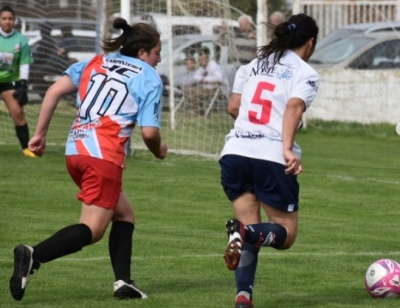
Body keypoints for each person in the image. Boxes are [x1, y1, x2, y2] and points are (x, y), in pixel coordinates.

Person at [9, 18, 168, 301]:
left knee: (125, 214)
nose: (160, 58)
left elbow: (54, 91)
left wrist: (40, 135)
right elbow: (150, 132)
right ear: (143, 52)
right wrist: (160, 150)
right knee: (93, 230)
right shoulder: (148, 75)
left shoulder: (97, 61)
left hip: (76, 151)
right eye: (158, 52)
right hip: (103, 156)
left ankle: (123, 283)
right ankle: (34, 255)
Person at [219, 13, 319, 308]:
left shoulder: (250, 66)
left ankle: (243, 298)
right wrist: (287, 147)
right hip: (271, 156)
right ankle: (243, 232)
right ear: (310, 43)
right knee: (285, 234)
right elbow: (294, 106)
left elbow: (234, 107)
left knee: (251, 229)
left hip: (235, 153)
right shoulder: (305, 72)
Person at [0, 5, 36, 157]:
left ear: (14, 21)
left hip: (10, 81)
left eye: (10, 19)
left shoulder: (21, 40)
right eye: (4, 19)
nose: (7, 22)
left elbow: (24, 63)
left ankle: (27, 149)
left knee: (18, 113)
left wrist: (23, 83)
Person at [191, 47, 229, 115]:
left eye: (203, 59)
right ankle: (200, 111)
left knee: (194, 92)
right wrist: (203, 79)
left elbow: (219, 78)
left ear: (207, 58)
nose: (201, 61)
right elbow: (195, 77)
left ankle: (200, 113)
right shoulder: (203, 67)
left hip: (220, 88)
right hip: (209, 87)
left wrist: (206, 79)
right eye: (200, 59)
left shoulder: (212, 65)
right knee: (191, 91)